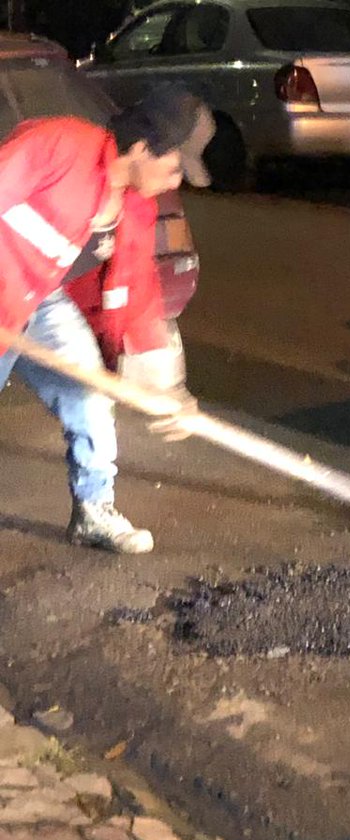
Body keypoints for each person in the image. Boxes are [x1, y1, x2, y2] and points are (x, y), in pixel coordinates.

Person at [0, 82, 214, 553]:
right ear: (140, 148)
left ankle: (94, 511)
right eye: (173, 167)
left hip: (40, 300)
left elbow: (140, 296)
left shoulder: (134, 205)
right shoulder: (60, 145)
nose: (175, 183)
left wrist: (168, 390)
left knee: (90, 393)